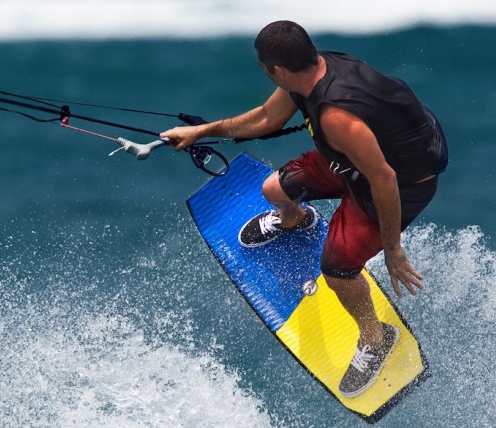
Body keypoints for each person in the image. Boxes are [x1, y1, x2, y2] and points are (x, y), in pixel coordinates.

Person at [162, 20, 448, 398]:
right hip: (351, 160)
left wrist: (393, 250)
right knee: (272, 189)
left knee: (337, 270)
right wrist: (200, 131)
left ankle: (376, 338)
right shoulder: (311, 73)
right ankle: (296, 219)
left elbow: (384, 179)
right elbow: (267, 117)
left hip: (398, 183)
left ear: (277, 69)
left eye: (265, 69)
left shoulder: (336, 117)